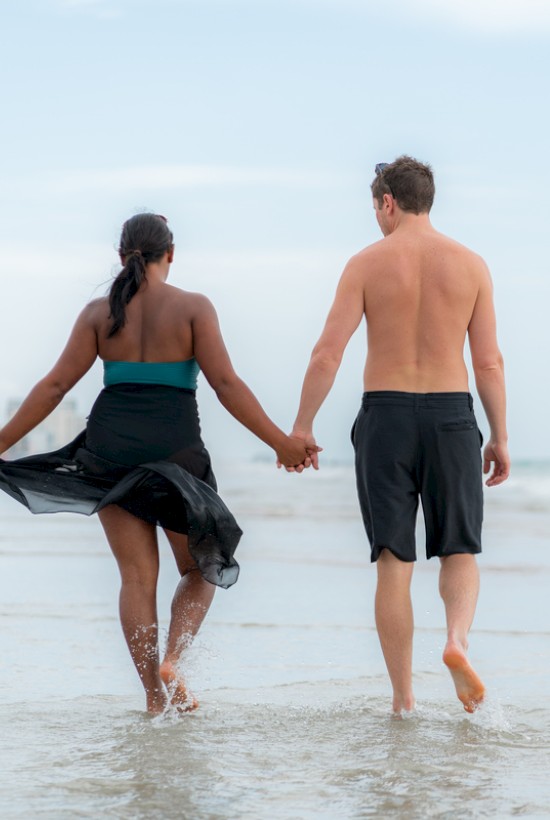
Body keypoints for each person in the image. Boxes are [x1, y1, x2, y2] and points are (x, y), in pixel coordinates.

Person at [0, 212, 312, 714]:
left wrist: (1, 442)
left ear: (121, 256)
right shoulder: (193, 308)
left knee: (136, 578)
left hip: (109, 451)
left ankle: (152, 697)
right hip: (178, 453)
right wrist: (280, 442)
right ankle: (172, 660)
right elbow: (226, 384)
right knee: (198, 568)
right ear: (171, 253)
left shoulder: (97, 314)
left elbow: (55, 386)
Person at [287, 156, 510, 715]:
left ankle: (403, 701)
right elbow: (488, 365)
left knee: (394, 559)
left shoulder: (365, 263)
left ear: (388, 202)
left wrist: (302, 425)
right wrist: (499, 435)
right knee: (458, 547)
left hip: (385, 415)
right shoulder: (471, 266)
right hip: (452, 417)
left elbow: (327, 353)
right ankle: (456, 641)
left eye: (376, 209)